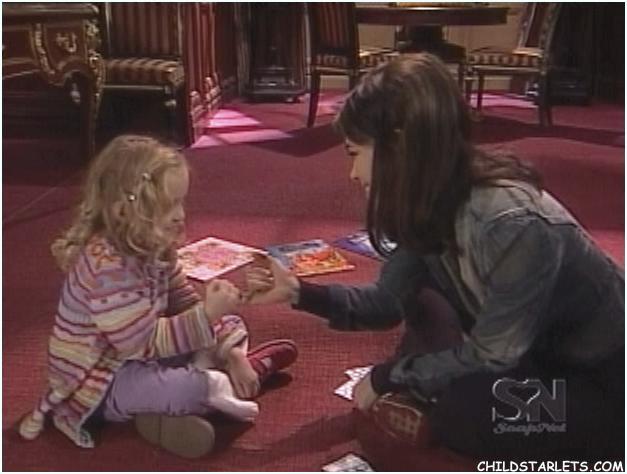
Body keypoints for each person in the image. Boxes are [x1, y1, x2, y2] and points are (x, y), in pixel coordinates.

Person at [245, 54, 624, 463]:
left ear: (399, 145)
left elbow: (493, 356)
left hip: (599, 379)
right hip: (531, 354)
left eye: (355, 152)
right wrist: (298, 292)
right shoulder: (430, 203)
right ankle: (434, 395)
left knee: (467, 411)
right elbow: (385, 303)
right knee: (426, 310)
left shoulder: (511, 223)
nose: (352, 174)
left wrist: (389, 376)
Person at [18, 135, 297, 459]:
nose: (180, 215)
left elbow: (182, 302)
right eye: (169, 205)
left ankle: (217, 376)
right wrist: (206, 317)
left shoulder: (155, 246)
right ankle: (219, 384)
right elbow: (139, 344)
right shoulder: (108, 268)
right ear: (125, 210)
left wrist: (224, 339)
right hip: (101, 378)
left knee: (229, 323)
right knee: (189, 386)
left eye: (181, 202)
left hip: (142, 357)